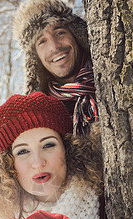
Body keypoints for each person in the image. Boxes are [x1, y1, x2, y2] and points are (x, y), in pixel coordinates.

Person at [13, 0, 97, 135]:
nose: (54, 46)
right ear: (35, 58)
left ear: (76, 35)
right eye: (42, 41)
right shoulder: (40, 117)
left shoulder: (112, 78)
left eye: (60, 33)